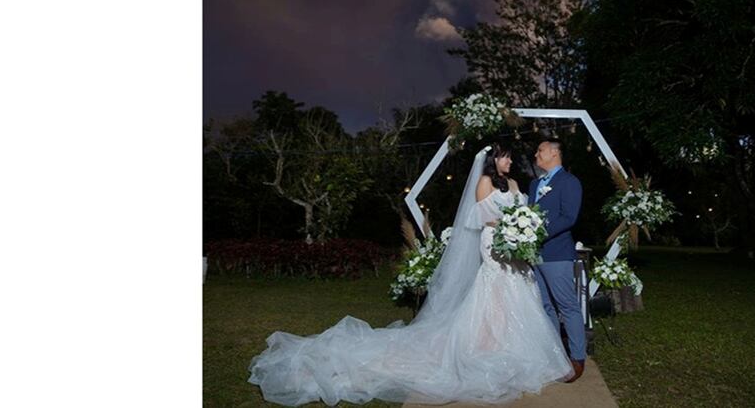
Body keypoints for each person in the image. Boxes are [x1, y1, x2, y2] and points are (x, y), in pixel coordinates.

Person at [246, 143, 575, 406]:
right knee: (494, 294)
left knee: (518, 296)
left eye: (509, 158)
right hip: (494, 245)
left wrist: (521, 230)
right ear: (493, 160)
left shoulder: (517, 183)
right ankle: (486, 345)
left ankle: (513, 347)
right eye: (504, 157)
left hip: (515, 250)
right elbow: (481, 219)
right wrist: (510, 228)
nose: (509, 162)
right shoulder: (484, 182)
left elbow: (521, 212)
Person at [529, 137, 586, 381]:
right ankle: (554, 357)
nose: (536, 155)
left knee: (567, 306)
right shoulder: (534, 184)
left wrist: (536, 233)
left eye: (540, 150)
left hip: (557, 254)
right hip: (533, 255)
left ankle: (577, 360)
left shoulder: (570, 182)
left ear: (554, 153)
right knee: (545, 307)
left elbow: (569, 217)